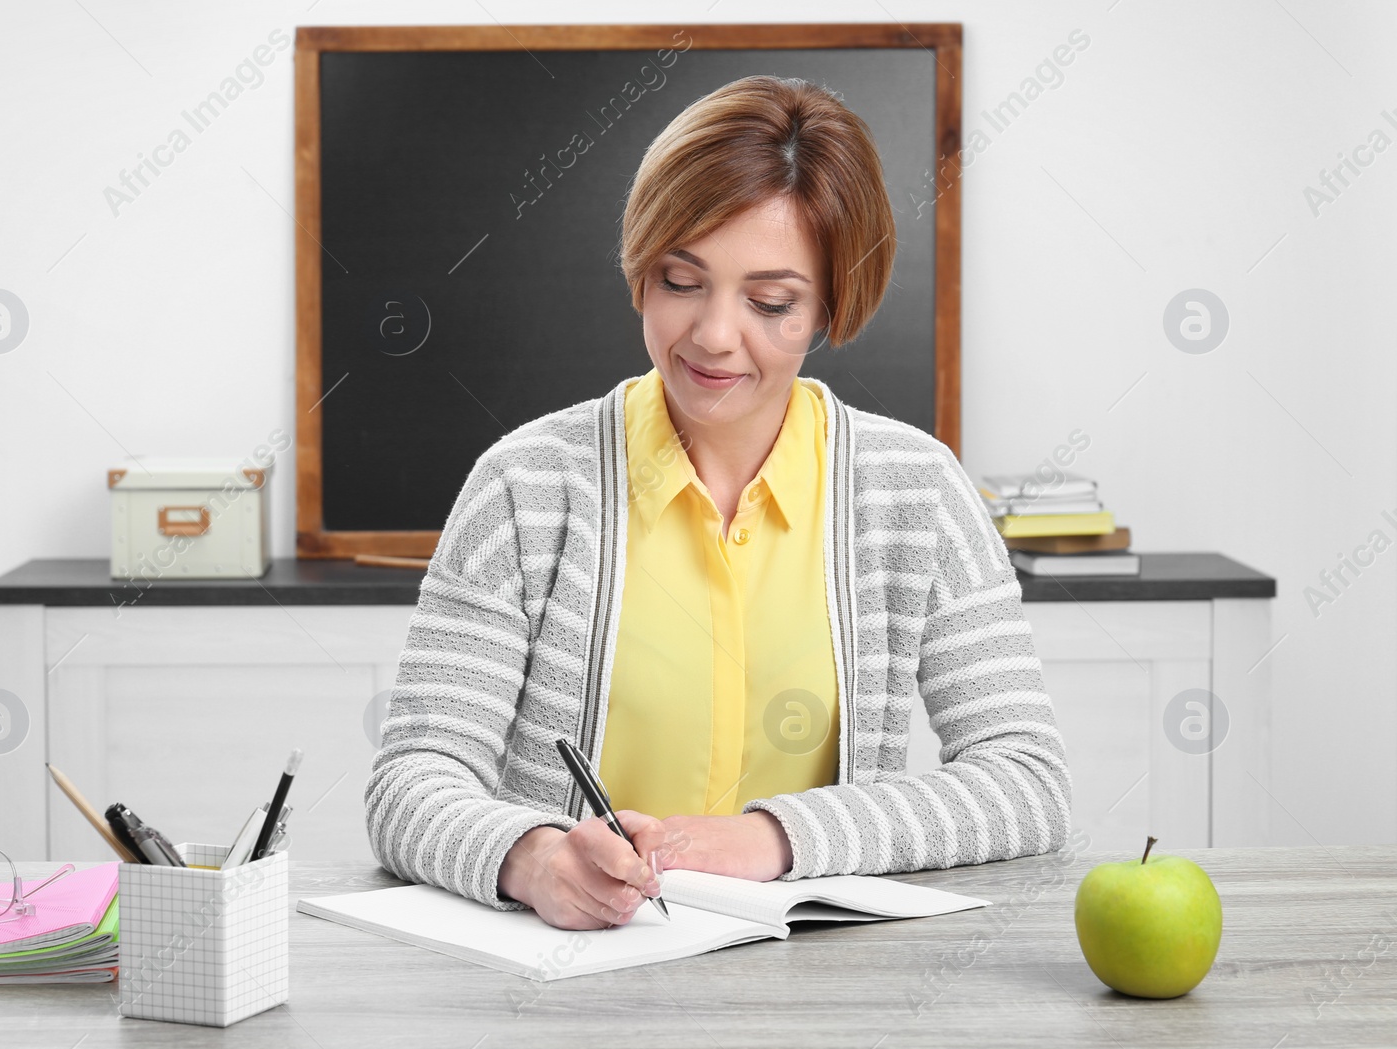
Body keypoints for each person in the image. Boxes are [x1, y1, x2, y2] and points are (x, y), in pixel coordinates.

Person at [366, 75, 1072, 931]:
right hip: (571, 981)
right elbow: (411, 780)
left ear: (828, 308)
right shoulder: (526, 488)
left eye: (771, 303)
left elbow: (1026, 781)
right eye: (681, 280)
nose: (712, 335)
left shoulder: (914, 493)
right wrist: (535, 857)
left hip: (822, 991)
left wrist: (774, 836)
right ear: (640, 272)